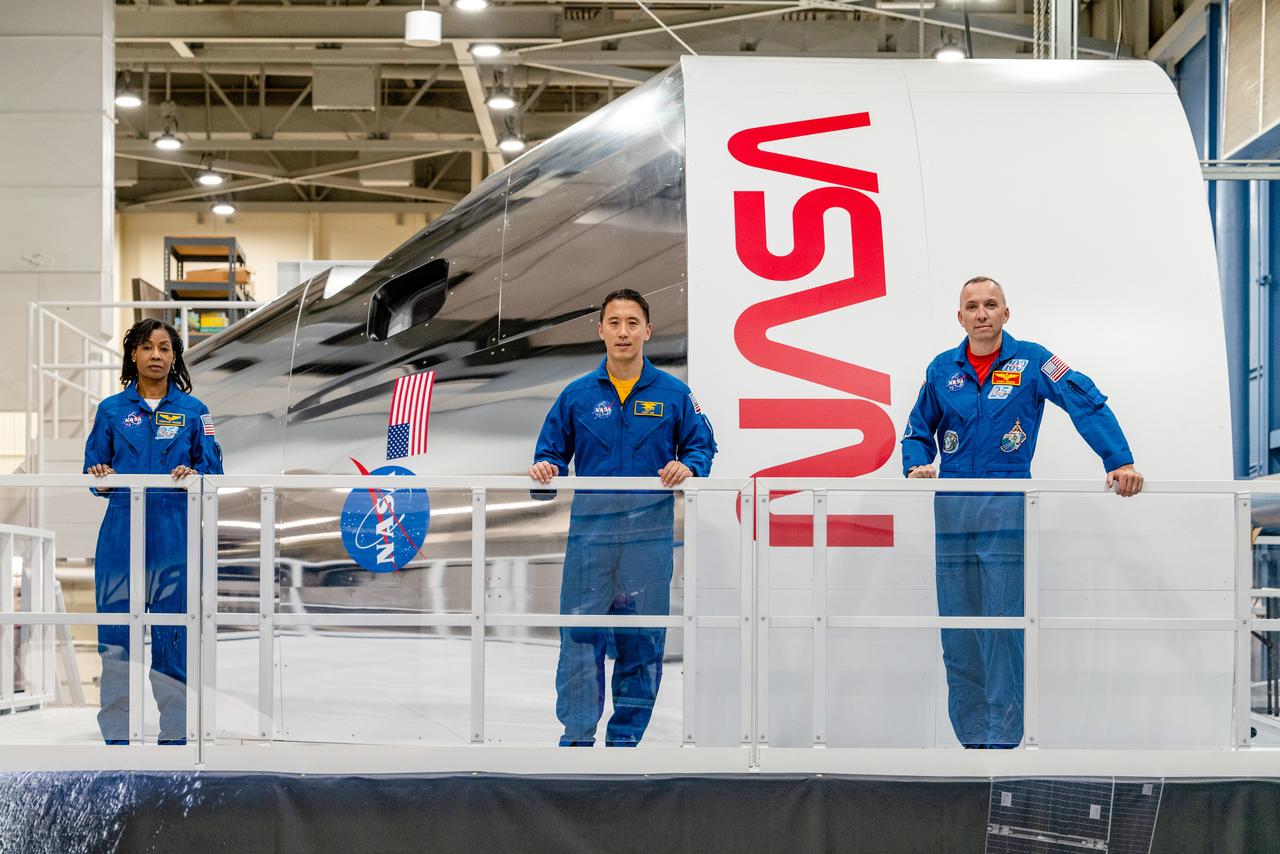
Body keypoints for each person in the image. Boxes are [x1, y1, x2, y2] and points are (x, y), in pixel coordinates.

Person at [900, 276, 1143, 749]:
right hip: (951, 511)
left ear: (1006, 314)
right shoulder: (940, 370)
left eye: (991, 304)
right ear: (961, 317)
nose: (982, 313)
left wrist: (1119, 460)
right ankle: (971, 742)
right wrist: (916, 465)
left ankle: (1004, 742)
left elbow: (1085, 401)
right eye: (972, 306)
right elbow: (915, 429)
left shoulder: (1033, 361)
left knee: (1003, 623)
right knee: (958, 626)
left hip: (1004, 507)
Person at [528, 288, 717, 746]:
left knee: (642, 642)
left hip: (647, 542)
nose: (623, 332)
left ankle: (625, 743)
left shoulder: (675, 395)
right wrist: (546, 470)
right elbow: (548, 455)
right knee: (579, 639)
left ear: (648, 331)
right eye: (614, 322)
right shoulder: (576, 396)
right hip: (589, 543)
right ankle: (576, 740)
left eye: (633, 323)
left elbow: (702, 445)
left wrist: (688, 465)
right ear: (601, 331)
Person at [83, 318, 224, 745]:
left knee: (173, 633)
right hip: (120, 533)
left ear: (175, 356)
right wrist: (101, 475)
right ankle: (118, 736)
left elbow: (214, 470)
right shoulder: (111, 410)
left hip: (174, 535)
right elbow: (93, 471)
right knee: (116, 635)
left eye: (165, 348)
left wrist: (195, 472)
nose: (156, 355)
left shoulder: (196, 412)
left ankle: (177, 734)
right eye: (147, 348)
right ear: (133, 355)